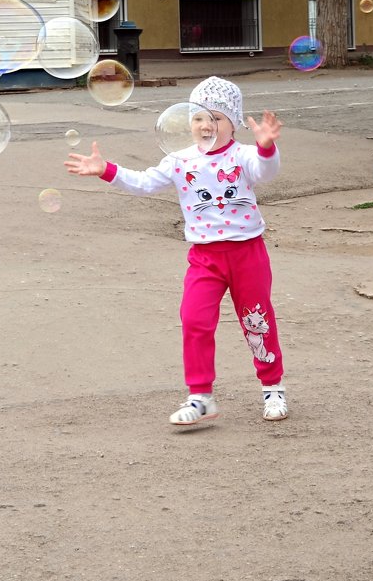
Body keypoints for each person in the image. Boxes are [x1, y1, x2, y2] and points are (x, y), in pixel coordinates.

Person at [64, 76, 288, 426]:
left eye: (216, 118)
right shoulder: (180, 160)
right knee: (194, 319)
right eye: (199, 117)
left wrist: (266, 148)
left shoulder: (244, 155)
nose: (205, 125)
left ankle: (272, 387)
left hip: (247, 252)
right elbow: (144, 181)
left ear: (233, 123)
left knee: (256, 322)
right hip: (204, 258)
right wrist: (105, 170)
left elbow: (266, 172)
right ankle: (200, 397)